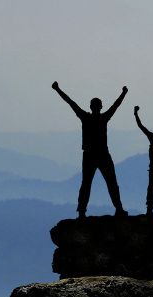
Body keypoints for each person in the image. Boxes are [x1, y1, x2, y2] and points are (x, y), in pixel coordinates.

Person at [52, 82, 129, 218]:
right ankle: (118, 209)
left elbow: (71, 102)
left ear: (92, 107)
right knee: (109, 183)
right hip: (101, 155)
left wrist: (58, 89)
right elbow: (116, 105)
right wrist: (123, 93)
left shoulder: (86, 117)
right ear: (99, 107)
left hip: (90, 155)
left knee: (88, 184)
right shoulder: (102, 118)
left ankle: (83, 211)